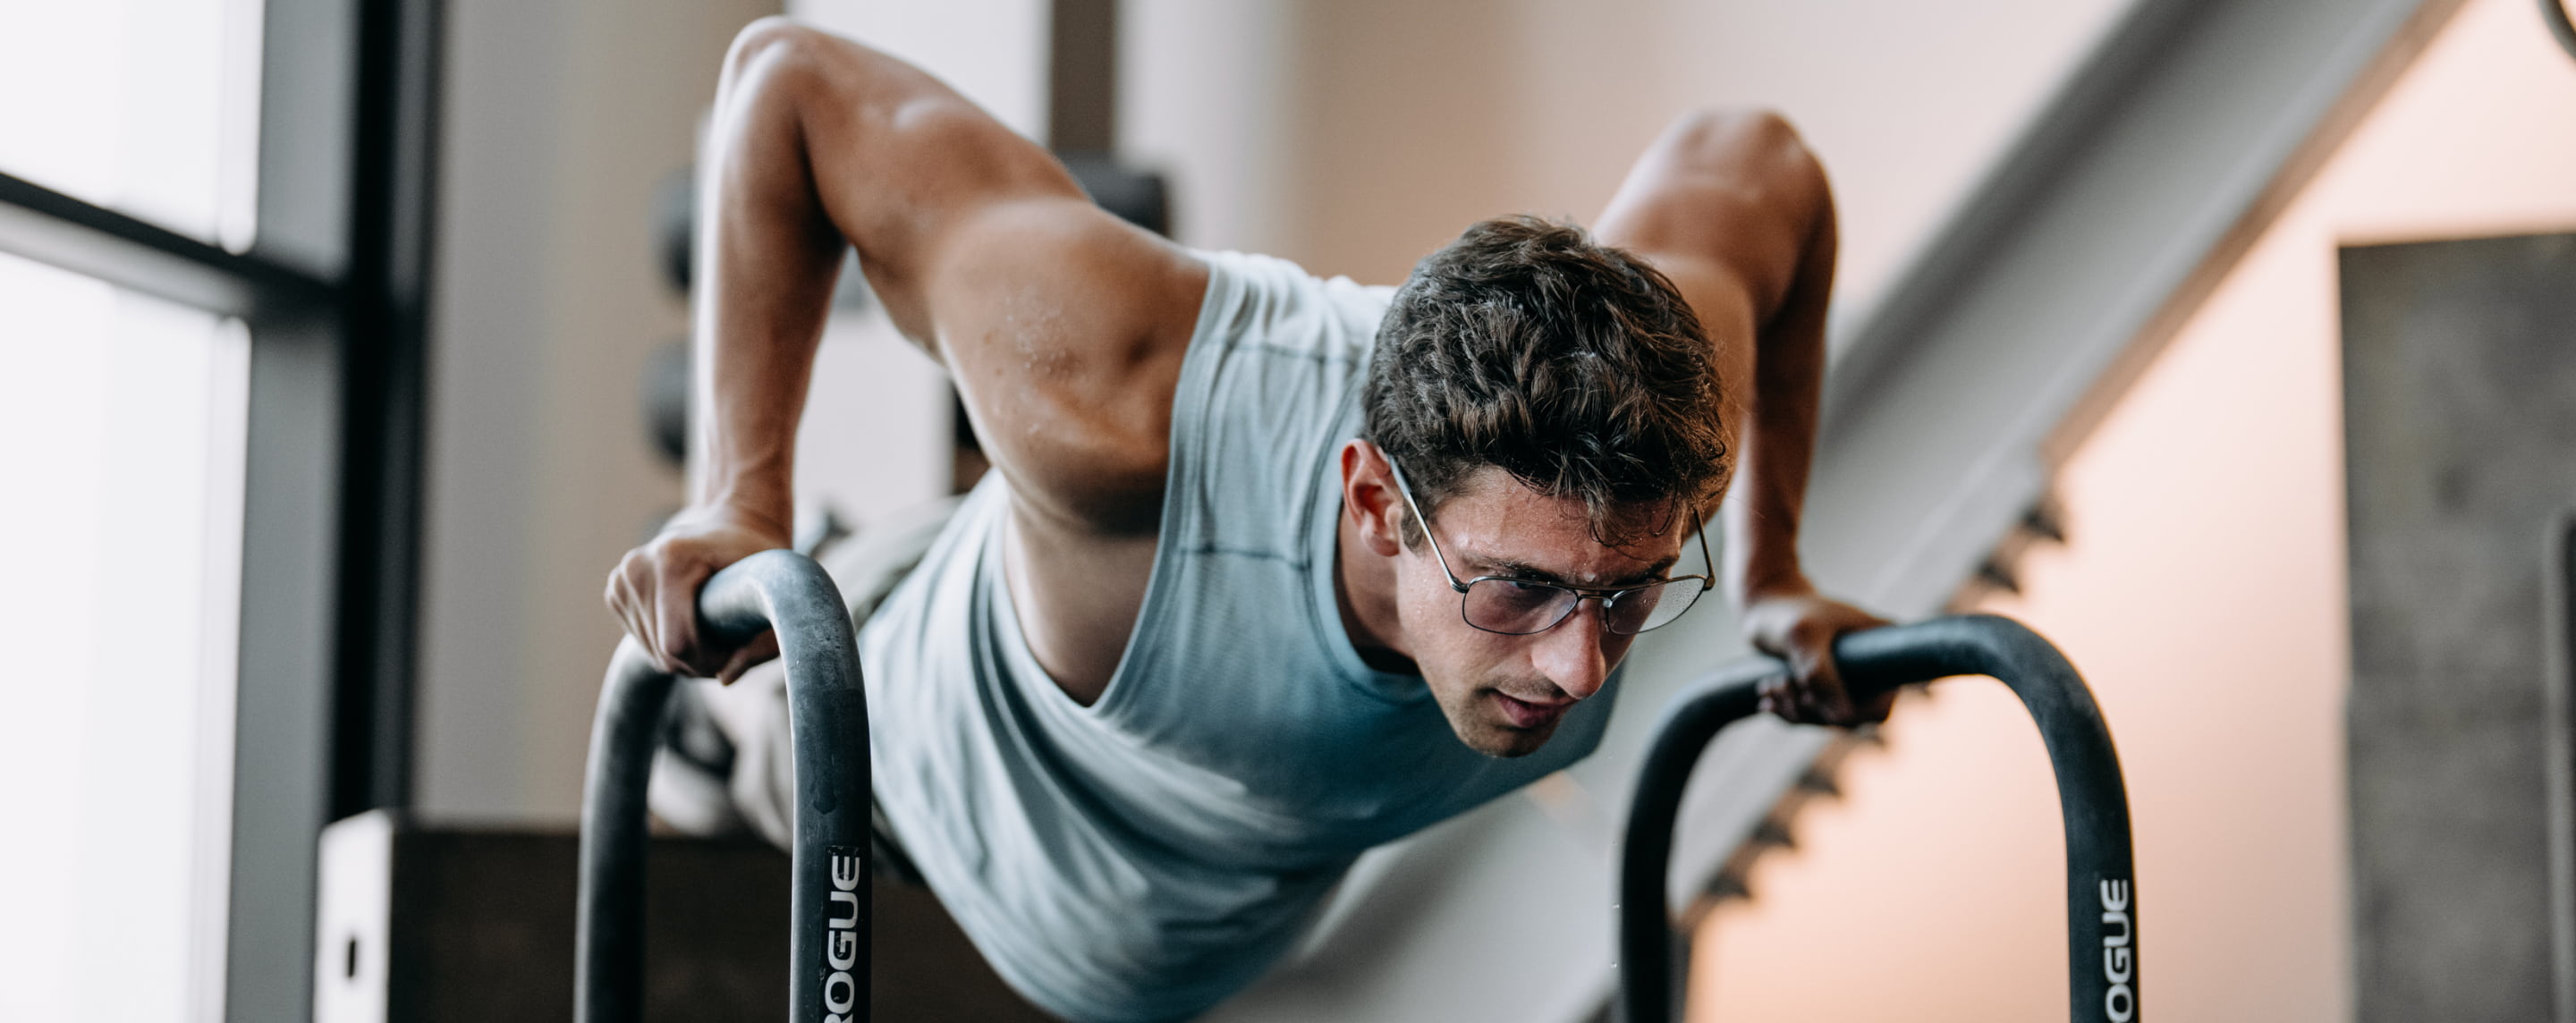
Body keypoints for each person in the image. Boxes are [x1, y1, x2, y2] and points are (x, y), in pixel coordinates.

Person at [604, 17, 1894, 1023]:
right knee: (779, 718)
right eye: (1521, 590)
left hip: (1192, 905)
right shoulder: (1117, 396)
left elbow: (1758, 161)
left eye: (1630, 595)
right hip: (910, 771)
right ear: (1377, 501)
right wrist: (739, 499)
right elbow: (787, 81)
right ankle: (748, 716)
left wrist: (1771, 574)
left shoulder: (1655, 437)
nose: (1581, 662)